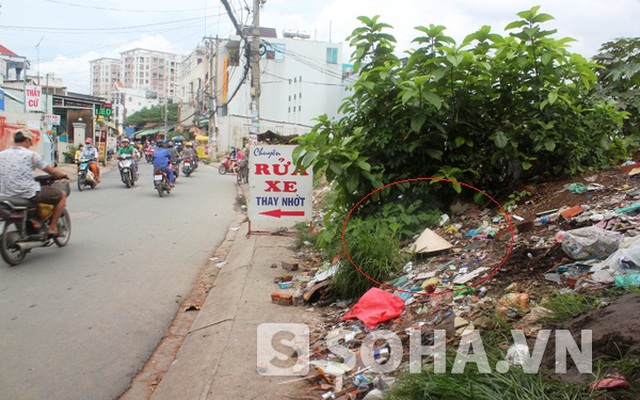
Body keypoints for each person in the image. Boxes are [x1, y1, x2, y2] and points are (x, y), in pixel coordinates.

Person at [0, 129, 69, 236]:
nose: (30, 145)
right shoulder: (31, 155)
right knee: (62, 196)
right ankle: (52, 227)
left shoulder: (2, 154)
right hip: (28, 193)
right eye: (30, 142)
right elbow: (52, 171)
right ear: (27, 141)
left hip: (6, 194)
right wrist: (62, 175)